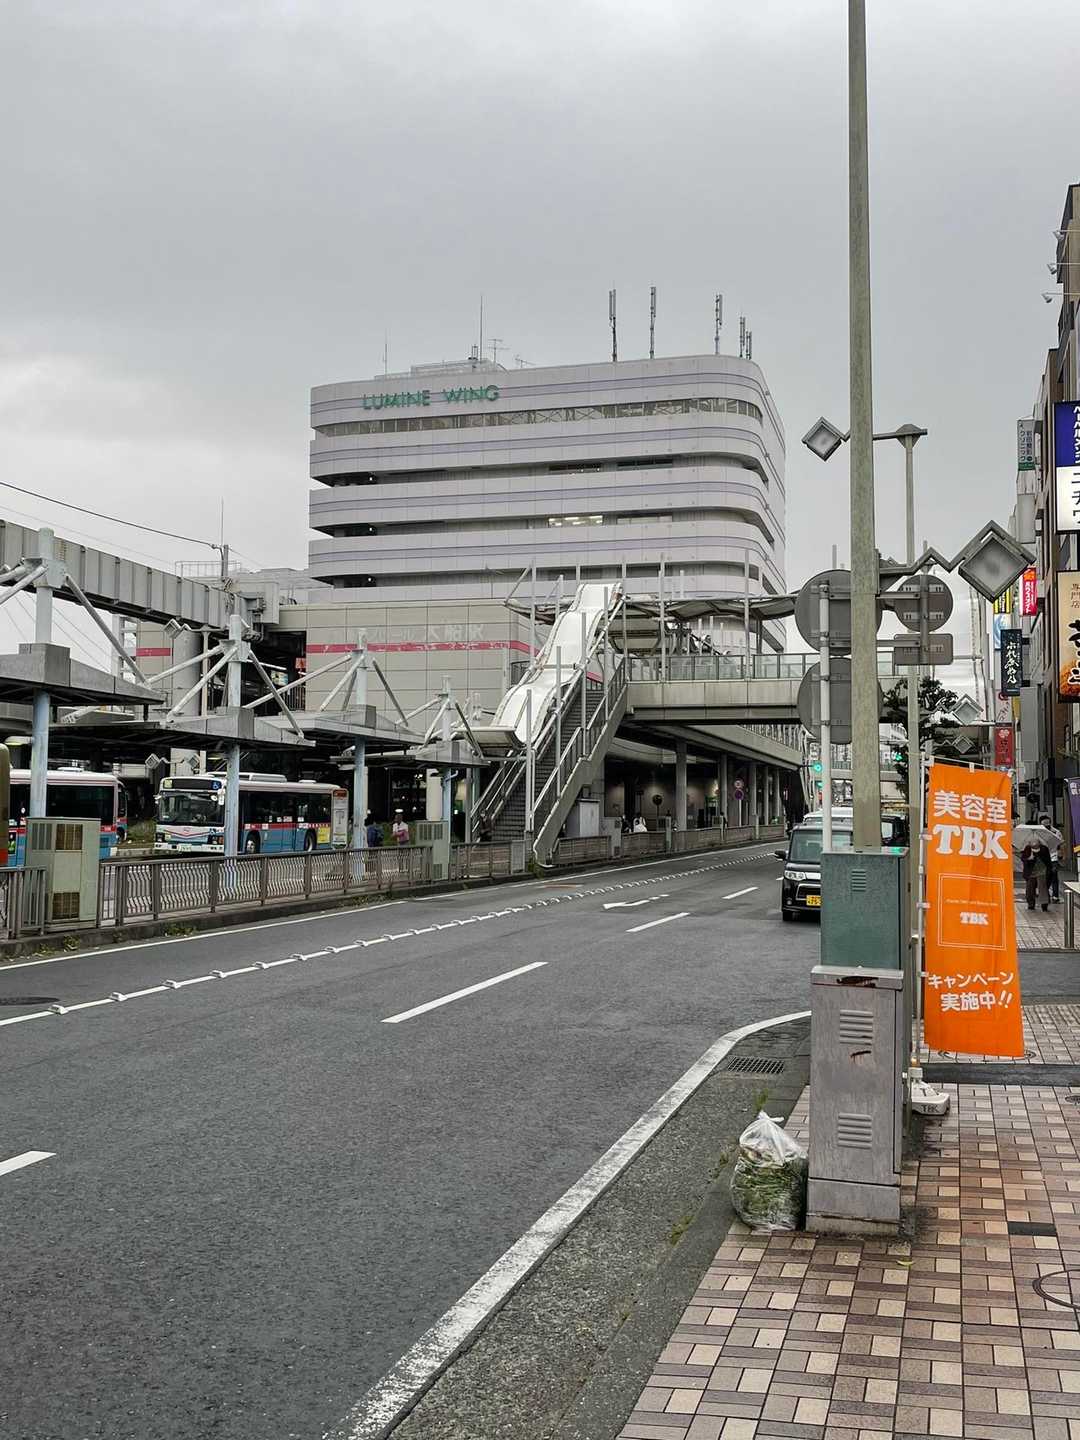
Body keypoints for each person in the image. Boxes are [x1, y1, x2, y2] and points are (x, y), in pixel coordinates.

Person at [1021, 840, 1052, 912]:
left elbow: (1048, 861)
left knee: (1043, 888)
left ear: (1039, 842)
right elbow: (1023, 858)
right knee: (1030, 888)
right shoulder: (1027, 848)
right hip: (1031, 872)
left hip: (1042, 871)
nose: (1034, 844)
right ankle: (1031, 904)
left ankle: (1044, 905)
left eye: (1036, 842)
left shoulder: (1044, 848)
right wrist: (1029, 858)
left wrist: (1038, 854)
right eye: (1032, 842)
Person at [1039, 814, 1063, 902]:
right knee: (1045, 877)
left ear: (1050, 823)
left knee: (1054, 876)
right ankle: (1046, 894)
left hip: (1053, 857)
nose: (1046, 826)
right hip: (1043, 858)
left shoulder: (1056, 832)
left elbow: (1060, 844)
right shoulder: (1039, 832)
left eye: (1047, 824)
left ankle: (1055, 896)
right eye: (1044, 824)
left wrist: (1060, 855)